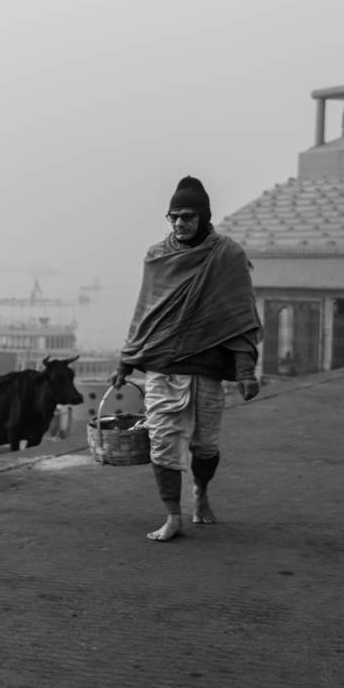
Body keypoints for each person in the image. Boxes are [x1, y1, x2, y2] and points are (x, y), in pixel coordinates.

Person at [109, 175, 263, 542]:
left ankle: (201, 492)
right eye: (174, 216)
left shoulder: (227, 256)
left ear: (204, 217)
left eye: (188, 216)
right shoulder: (157, 257)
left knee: (205, 447)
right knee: (162, 443)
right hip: (162, 370)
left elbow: (239, 316)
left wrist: (245, 371)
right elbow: (144, 313)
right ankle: (172, 516)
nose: (180, 223)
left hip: (207, 371)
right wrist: (126, 362)